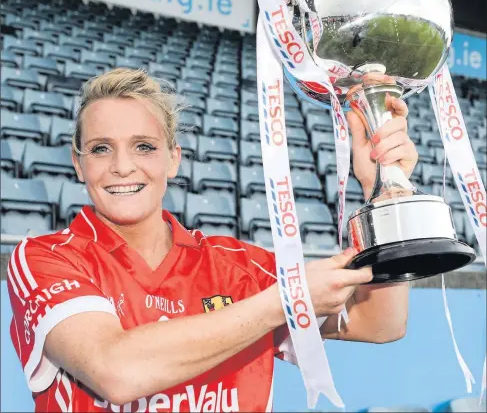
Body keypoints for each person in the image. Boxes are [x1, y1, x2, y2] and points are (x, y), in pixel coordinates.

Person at [7, 68, 418, 412]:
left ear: (173, 158)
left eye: (144, 146)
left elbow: (380, 323)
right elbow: (116, 371)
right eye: (100, 149)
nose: (122, 166)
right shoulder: (43, 259)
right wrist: (283, 300)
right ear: (79, 164)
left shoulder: (240, 266)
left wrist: (383, 184)